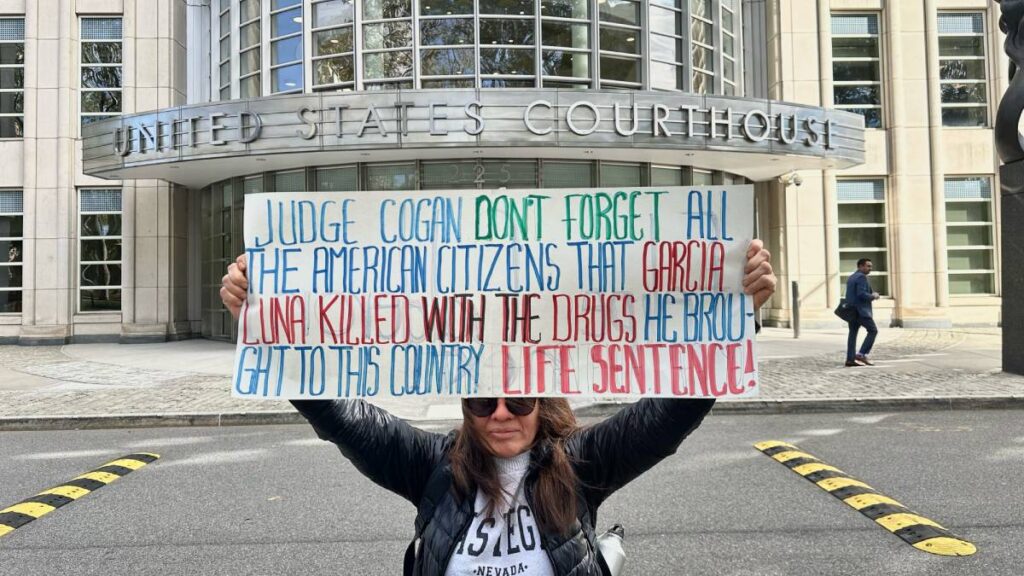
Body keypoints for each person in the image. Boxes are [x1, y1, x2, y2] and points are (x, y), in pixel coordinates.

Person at [220, 241, 777, 576]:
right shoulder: (431, 466)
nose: (502, 414)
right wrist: (265, 322)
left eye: (520, 400)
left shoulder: (579, 464)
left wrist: (732, 318)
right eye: (484, 401)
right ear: (466, 406)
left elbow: (667, 417)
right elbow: (341, 417)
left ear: (543, 401)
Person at [845, 258, 880, 367]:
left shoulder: (851, 277)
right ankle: (861, 354)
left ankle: (850, 360)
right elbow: (861, 294)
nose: (870, 268)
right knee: (873, 330)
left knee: (852, 334)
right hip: (861, 311)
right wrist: (873, 296)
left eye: (871, 266)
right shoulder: (861, 277)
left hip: (852, 311)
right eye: (868, 266)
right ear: (860, 266)